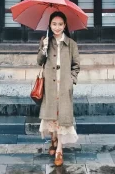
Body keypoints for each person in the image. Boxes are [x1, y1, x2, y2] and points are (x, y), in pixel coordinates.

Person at [37, 11, 80, 167]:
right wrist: (44, 48)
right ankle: (53, 138)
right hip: (50, 84)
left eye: (60, 24)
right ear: (50, 25)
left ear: (65, 25)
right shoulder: (45, 41)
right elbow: (39, 61)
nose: (57, 27)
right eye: (54, 24)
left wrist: (71, 80)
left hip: (64, 85)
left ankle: (59, 150)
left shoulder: (71, 44)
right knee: (52, 116)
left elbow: (76, 66)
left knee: (62, 118)